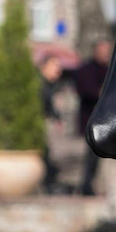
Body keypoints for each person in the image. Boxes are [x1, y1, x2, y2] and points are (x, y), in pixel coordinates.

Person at [75, 39, 111, 196]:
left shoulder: (109, 69)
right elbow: (86, 91)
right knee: (89, 157)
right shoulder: (86, 69)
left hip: (106, 120)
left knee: (97, 158)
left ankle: (91, 185)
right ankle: (86, 185)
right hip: (90, 118)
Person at [39, 55, 63, 193]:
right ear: (44, 66)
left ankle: (49, 182)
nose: (58, 70)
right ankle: (47, 183)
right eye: (54, 66)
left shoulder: (50, 85)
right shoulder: (40, 85)